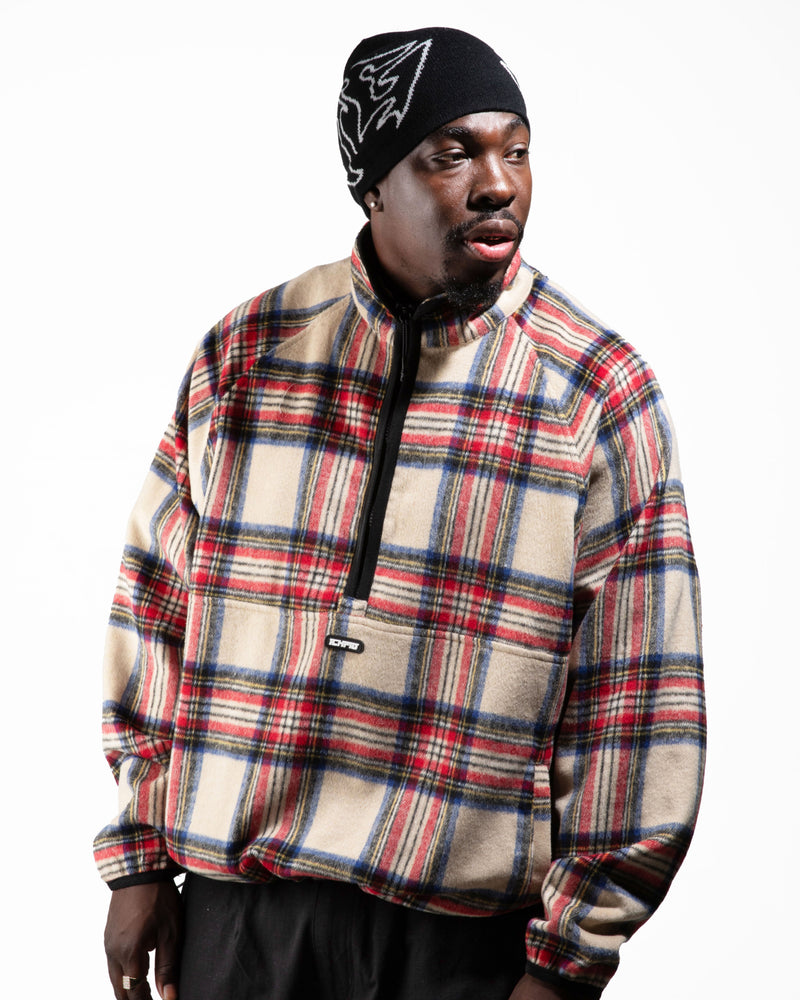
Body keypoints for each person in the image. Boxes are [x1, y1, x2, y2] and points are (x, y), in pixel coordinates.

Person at [97, 27, 706, 1000]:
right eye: (452, 153)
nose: (498, 183)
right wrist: (137, 856)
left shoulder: (594, 391)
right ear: (374, 184)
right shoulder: (247, 355)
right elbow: (154, 608)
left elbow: (639, 695)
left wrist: (570, 958)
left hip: (459, 943)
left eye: (516, 149)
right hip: (243, 921)